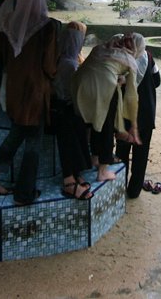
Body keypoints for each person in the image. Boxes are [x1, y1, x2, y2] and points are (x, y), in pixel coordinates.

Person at [0, 0, 58, 205]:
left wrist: (5, 57)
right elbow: (50, 66)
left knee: (17, 132)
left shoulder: (7, 24)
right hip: (35, 92)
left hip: (12, 90)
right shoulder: (47, 26)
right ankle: (24, 193)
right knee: (33, 141)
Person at [71, 34, 142, 182]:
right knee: (106, 127)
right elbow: (131, 97)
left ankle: (93, 158)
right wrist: (133, 126)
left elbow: (103, 66)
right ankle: (102, 171)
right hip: (102, 87)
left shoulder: (104, 47)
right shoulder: (130, 60)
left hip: (80, 85)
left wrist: (119, 78)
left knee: (90, 124)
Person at [115, 33, 161, 199]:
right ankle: (134, 191)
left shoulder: (121, 61)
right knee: (141, 155)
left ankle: (119, 188)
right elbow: (157, 81)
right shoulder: (149, 57)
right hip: (146, 115)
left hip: (125, 115)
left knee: (121, 153)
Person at [51, 21, 93, 200]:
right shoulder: (68, 64)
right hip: (60, 110)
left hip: (63, 107)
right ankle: (69, 178)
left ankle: (76, 172)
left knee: (78, 124)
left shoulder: (64, 59)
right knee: (70, 127)